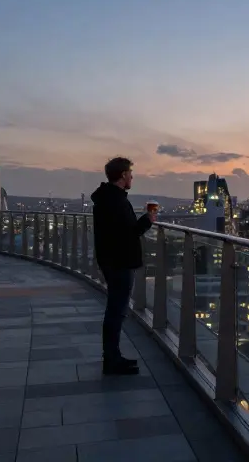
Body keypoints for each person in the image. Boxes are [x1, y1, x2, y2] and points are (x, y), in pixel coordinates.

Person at [92, 157, 155, 375]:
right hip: (119, 262)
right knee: (116, 311)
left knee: (115, 310)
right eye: (130, 173)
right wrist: (147, 220)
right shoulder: (116, 201)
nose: (132, 177)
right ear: (122, 175)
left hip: (112, 260)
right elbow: (127, 234)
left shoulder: (108, 198)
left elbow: (120, 232)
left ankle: (113, 356)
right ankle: (111, 359)